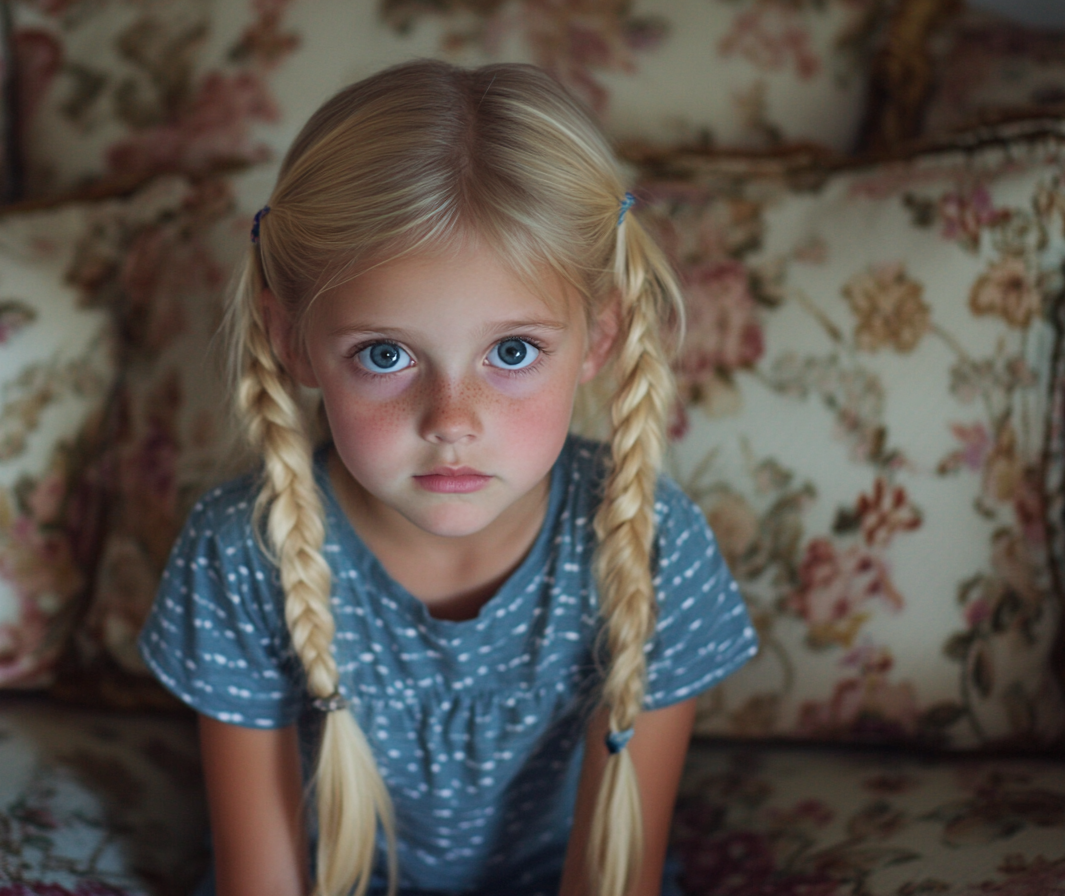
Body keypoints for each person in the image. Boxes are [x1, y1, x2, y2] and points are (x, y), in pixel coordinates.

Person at [138, 59, 758, 896]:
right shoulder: (245, 550)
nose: (452, 419)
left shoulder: (647, 545)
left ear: (599, 337)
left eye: (512, 352)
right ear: (294, 341)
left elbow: (617, 877)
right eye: (385, 355)